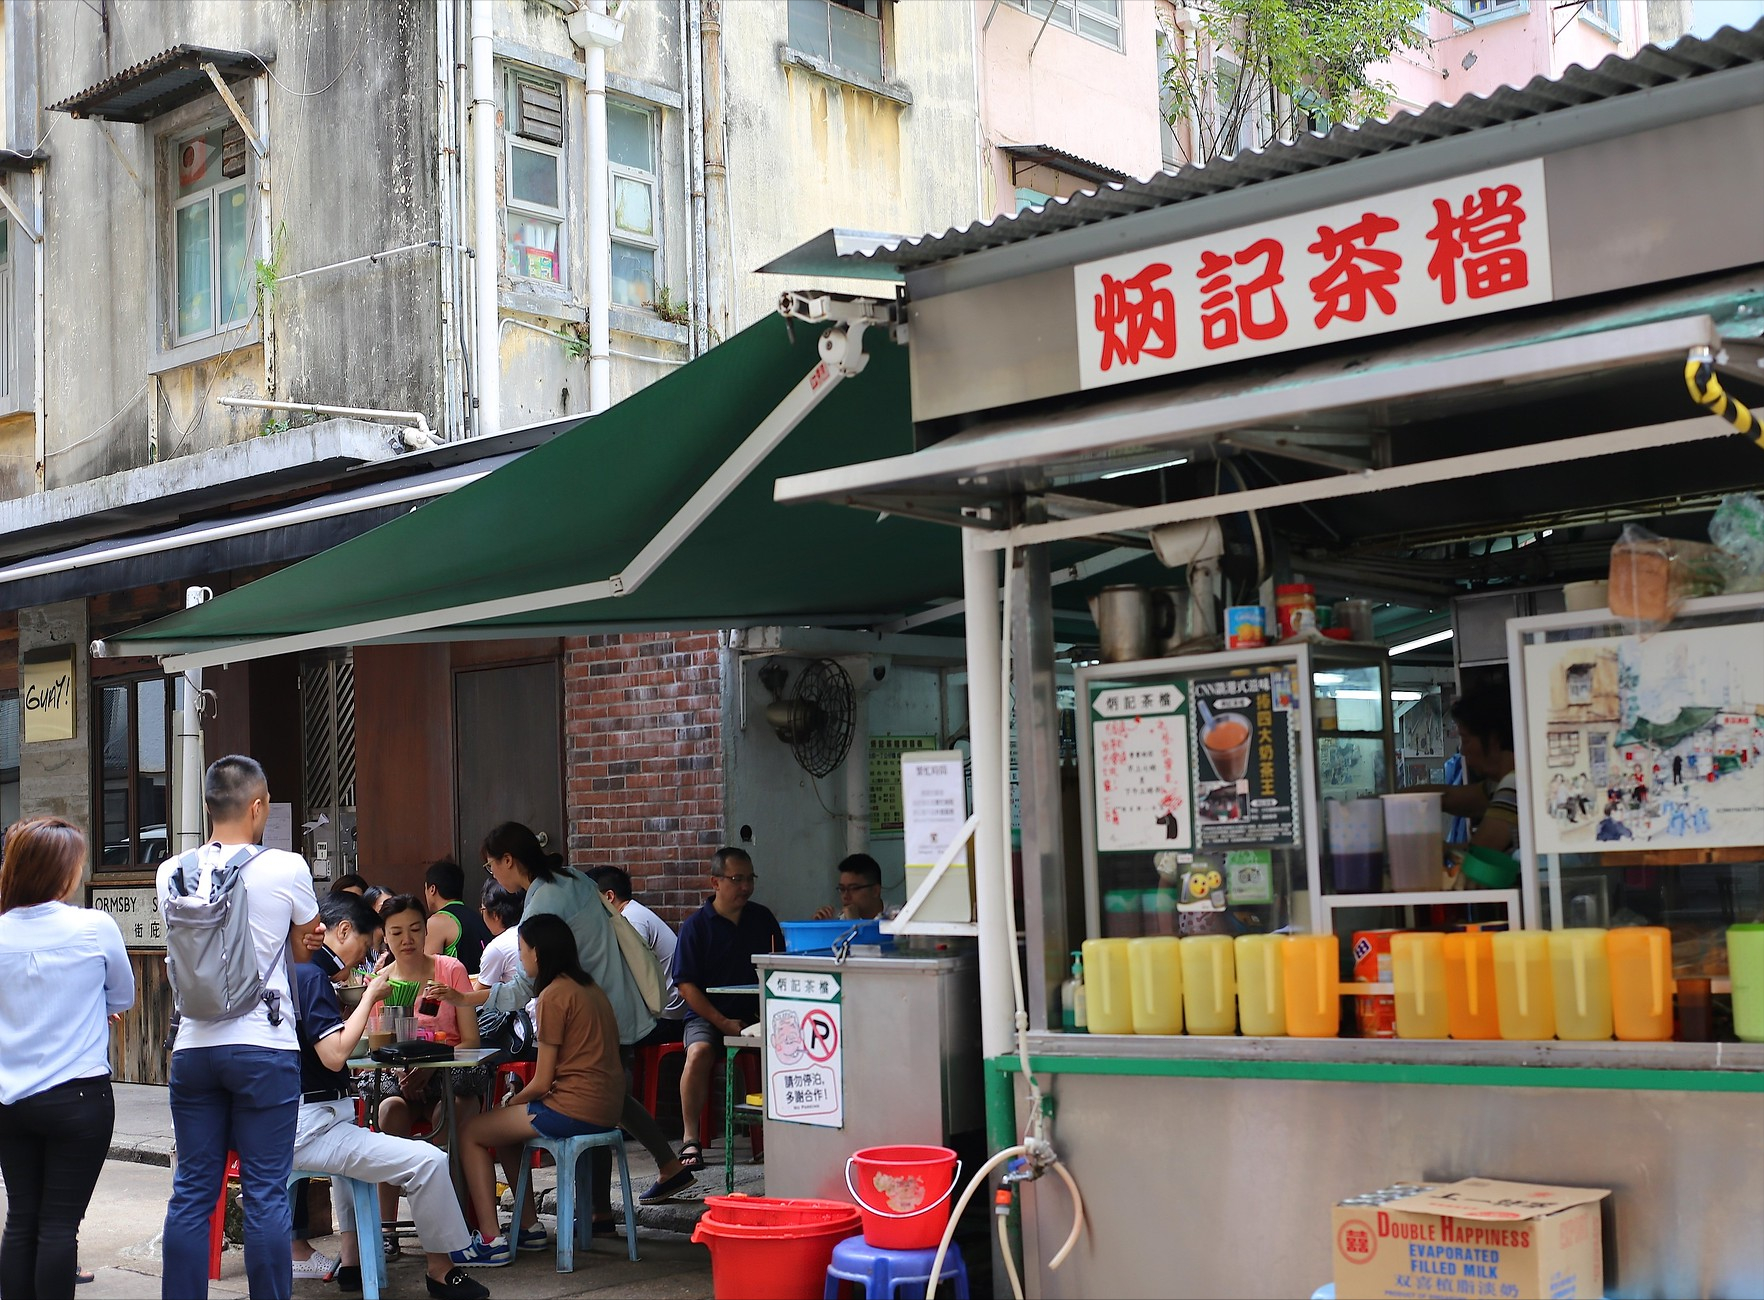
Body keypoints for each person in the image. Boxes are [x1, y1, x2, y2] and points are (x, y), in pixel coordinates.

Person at [425, 824, 689, 1228]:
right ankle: (608, 1201)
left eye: (491, 865)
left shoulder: (547, 936)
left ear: (508, 860)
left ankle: (593, 1209)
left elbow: (524, 991)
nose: (491, 873)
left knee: (597, 1099)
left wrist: (469, 999)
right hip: (610, 1004)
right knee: (608, 1096)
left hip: (589, 1020)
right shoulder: (572, 879)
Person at [157, 755, 324, 1300]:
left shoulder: (171, 872)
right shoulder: (288, 867)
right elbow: (304, 940)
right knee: (265, 1195)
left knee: (192, 1193)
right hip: (263, 1045)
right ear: (257, 806)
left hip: (193, 1046)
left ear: (208, 807)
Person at [288, 892, 488, 1300]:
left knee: (351, 1161)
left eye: (414, 929)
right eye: (372, 941)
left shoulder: (277, 973)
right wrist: (368, 998)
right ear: (341, 930)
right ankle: (441, 1268)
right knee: (429, 1160)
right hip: (310, 1123)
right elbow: (334, 1055)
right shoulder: (309, 977)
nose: (364, 955)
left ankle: (352, 1258)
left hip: (292, 1121)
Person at [0, 818, 135, 1300]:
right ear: (61, 873)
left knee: (22, 1220)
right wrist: (92, 1005)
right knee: (59, 1226)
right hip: (78, 1097)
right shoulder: (94, 925)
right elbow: (122, 995)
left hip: (10, 1100)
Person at [449, 914, 625, 1267]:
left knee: (471, 1131)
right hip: (606, 1107)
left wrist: (514, 1099)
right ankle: (528, 1227)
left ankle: (489, 1239)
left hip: (572, 1108)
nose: (521, 959)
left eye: (523, 951)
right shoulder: (588, 987)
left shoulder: (553, 995)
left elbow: (543, 1082)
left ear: (538, 954)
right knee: (504, 1132)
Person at [671, 847, 783, 1176]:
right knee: (699, 1053)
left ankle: (775, 1135)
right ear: (715, 882)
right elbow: (686, 986)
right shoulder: (696, 926)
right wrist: (722, 1022)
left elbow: (778, 966)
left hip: (755, 1016)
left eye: (749, 879)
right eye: (737, 879)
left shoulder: (763, 919)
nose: (745, 887)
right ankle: (691, 1138)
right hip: (707, 1016)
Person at [372, 895, 481, 1226]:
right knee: (389, 1112)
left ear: (425, 930)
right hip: (399, 1082)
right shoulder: (379, 984)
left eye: (416, 929)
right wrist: (403, 1072)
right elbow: (376, 1045)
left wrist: (429, 1068)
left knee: (450, 1109)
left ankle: (445, 1224)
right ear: (385, 936)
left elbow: (471, 1040)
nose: (407, 940)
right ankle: (386, 1228)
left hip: (448, 1080)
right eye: (397, 932)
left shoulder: (449, 970)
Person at [586, 865, 687, 1036]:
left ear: (609, 896)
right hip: (660, 1012)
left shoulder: (632, 920)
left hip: (667, 1018)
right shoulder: (629, 915)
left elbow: (625, 980)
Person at [1450, 682, 1519, 855]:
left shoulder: (1515, 785)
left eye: (1466, 740)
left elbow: (1478, 856)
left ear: (1493, 739)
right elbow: (1448, 797)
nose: (1464, 752)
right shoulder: (1499, 785)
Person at [423, 860, 491, 975]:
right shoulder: (478, 917)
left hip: (456, 990)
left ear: (432, 889)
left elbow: (429, 972)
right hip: (483, 988)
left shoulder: (436, 922)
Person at [809, 853, 886, 921]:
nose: (845, 896)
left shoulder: (895, 921)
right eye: (842, 889)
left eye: (853, 889)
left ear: (875, 891)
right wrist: (820, 927)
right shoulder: (839, 919)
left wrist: (853, 923)